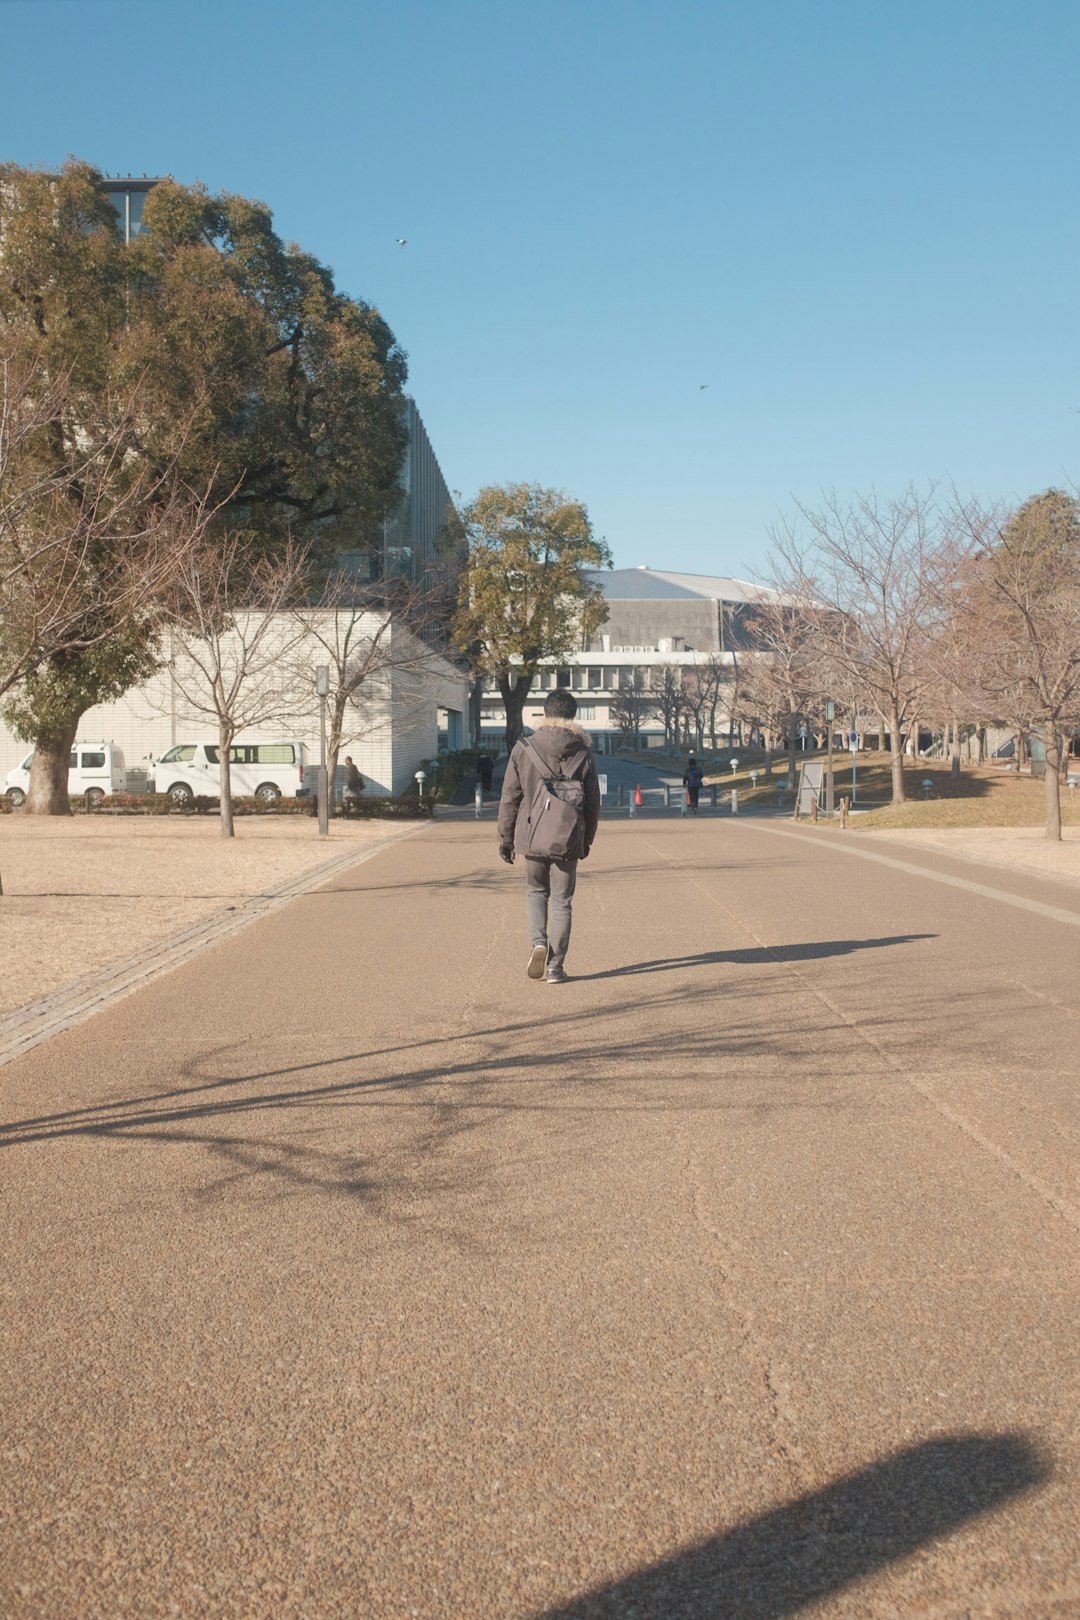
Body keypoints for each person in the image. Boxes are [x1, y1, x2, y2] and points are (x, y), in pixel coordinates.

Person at [497, 689, 600, 984]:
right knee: (562, 902)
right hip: (568, 838)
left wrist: (505, 839)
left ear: (545, 713)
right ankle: (555, 967)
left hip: (532, 836)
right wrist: (586, 840)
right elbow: (593, 803)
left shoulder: (523, 748)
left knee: (536, 892)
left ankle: (538, 942)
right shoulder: (583, 753)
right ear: (573, 716)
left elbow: (510, 797)